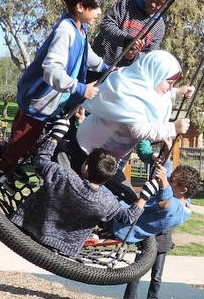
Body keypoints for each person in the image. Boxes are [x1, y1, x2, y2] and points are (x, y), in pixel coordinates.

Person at [0, 0, 107, 177]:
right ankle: (3, 168)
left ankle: (18, 162)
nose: (99, 12)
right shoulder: (66, 31)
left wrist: (106, 67)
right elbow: (51, 70)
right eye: (96, 7)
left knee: (39, 138)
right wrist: (81, 88)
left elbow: (86, 55)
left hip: (55, 100)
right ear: (80, 6)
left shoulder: (81, 30)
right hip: (38, 99)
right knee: (24, 138)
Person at [10, 119, 159, 256]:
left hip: (27, 224)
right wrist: (144, 195)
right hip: (65, 246)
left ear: (86, 166)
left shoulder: (64, 176)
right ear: (108, 178)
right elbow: (128, 217)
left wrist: (55, 136)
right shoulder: (106, 202)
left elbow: (40, 161)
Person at [71, 49, 194, 203]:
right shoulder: (127, 91)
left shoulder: (143, 87)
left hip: (106, 158)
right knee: (88, 198)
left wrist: (177, 92)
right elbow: (139, 130)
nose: (170, 88)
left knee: (116, 200)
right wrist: (172, 128)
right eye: (169, 83)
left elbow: (154, 96)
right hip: (87, 152)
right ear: (155, 74)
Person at [112, 144, 201, 299]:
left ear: (183, 190)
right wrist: (166, 153)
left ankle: (152, 298)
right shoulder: (178, 196)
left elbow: (166, 204)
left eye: (172, 182)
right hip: (141, 230)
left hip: (136, 229)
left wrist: (165, 183)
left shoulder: (178, 210)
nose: (168, 180)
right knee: (137, 269)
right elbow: (166, 177)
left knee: (156, 272)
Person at [92, 0, 177, 68]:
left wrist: (133, 57)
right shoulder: (128, 3)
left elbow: (149, 56)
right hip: (97, 63)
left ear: (166, 5)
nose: (153, 4)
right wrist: (126, 40)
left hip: (120, 75)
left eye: (159, 3)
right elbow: (106, 26)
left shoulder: (159, 27)